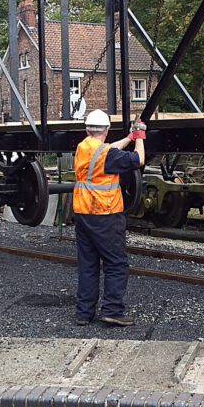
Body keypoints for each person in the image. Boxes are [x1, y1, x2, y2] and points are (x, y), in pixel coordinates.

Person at [73, 109, 145, 327]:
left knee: (88, 264)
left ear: (87, 130)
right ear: (106, 130)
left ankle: (84, 314)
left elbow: (108, 150)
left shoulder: (83, 147)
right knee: (116, 263)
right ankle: (113, 310)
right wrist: (140, 138)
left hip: (82, 213)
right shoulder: (108, 155)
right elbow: (138, 160)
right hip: (105, 214)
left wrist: (129, 138)